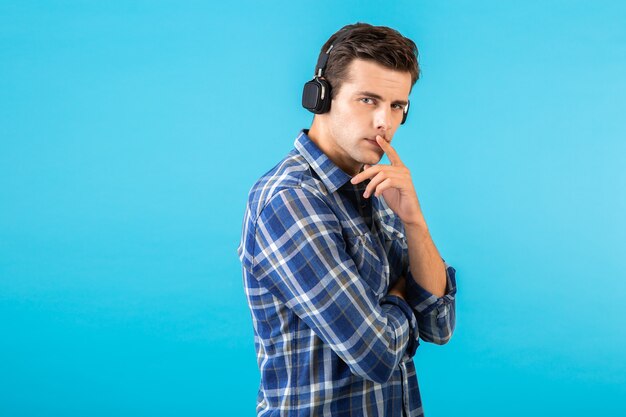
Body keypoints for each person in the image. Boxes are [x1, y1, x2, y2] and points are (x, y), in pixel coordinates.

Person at [237, 22, 457, 417]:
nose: (384, 122)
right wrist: (404, 295)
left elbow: (439, 325)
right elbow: (376, 355)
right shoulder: (290, 201)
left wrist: (415, 222)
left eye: (397, 106)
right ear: (321, 97)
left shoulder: (378, 187)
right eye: (368, 100)